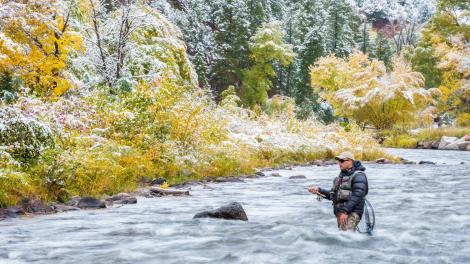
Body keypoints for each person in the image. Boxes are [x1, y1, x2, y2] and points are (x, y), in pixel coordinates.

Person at [308, 151, 368, 231]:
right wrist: (319, 190)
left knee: (346, 237)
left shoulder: (359, 176)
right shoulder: (340, 178)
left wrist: (345, 211)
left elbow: (358, 195)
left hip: (352, 212)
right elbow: (333, 196)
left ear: (350, 161)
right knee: (344, 237)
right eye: (339, 161)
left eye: (342, 161)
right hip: (341, 213)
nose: (339, 163)